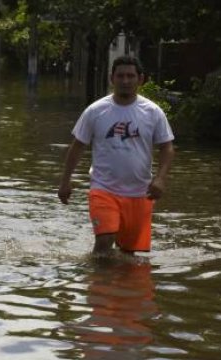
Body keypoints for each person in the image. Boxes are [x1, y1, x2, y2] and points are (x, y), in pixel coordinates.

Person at [58, 55, 175, 255]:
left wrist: (161, 178)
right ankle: (97, 282)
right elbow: (77, 146)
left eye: (131, 76)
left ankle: (118, 284)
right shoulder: (95, 111)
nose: (125, 81)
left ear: (141, 79)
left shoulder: (153, 112)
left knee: (129, 254)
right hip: (103, 188)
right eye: (120, 76)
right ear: (112, 79)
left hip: (140, 192)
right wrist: (65, 181)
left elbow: (167, 147)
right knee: (105, 241)